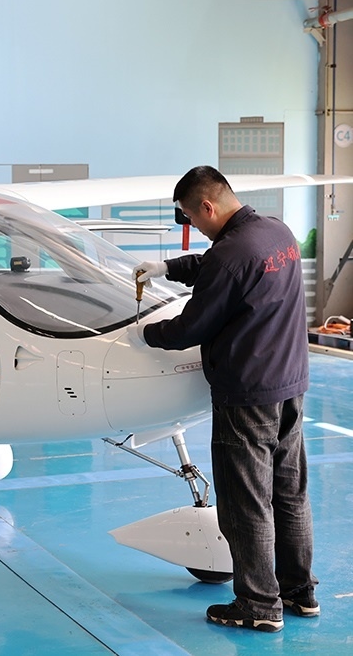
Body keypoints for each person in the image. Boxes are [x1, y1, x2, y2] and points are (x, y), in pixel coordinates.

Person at [131, 166, 318, 633]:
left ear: (207, 207)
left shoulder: (232, 253)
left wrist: (145, 335)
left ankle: (258, 605)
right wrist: (168, 268)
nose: (195, 227)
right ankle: (299, 592)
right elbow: (220, 266)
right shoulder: (275, 232)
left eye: (192, 218)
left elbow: (191, 326)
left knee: (245, 503)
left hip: (247, 394)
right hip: (290, 383)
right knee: (289, 494)